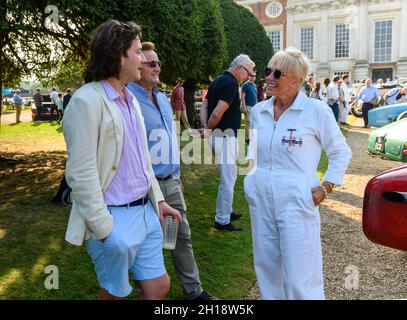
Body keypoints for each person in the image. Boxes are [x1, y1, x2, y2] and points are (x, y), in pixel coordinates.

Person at [62, 20, 182, 300]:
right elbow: (81, 173)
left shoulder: (130, 98)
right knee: (115, 294)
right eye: (138, 52)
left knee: (158, 286)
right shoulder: (86, 101)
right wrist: (105, 230)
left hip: (146, 212)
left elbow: (141, 160)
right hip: (113, 216)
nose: (144, 59)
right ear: (120, 55)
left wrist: (159, 201)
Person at [244, 47, 351, 300]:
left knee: (300, 274)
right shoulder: (259, 111)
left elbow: (340, 152)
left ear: (297, 80)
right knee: (267, 267)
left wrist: (326, 187)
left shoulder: (316, 111)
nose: (269, 77)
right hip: (261, 198)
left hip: (297, 200)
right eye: (268, 70)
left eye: (277, 73)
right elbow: (254, 151)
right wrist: (251, 179)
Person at [128, 41, 216, 301]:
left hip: (171, 181)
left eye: (158, 63)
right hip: (145, 185)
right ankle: (147, 288)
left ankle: (194, 292)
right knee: (145, 241)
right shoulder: (129, 100)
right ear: (136, 65)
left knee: (181, 236)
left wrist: (177, 176)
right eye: (151, 63)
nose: (158, 68)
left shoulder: (164, 100)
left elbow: (170, 139)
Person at [200, 54, 255, 231]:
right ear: (239, 68)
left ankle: (227, 211)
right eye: (248, 72)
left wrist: (205, 127)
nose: (248, 77)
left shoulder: (218, 79)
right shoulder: (231, 83)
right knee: (228, 179)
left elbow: (204, 105)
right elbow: (216, 112)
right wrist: (208, 129)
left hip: (222, 137)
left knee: (229, 176)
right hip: (224, 137)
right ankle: (222, 220)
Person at [241, 71, 257, 143]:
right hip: (247, 106)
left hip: (254, 107)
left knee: (252, 123)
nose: (253, 77)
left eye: (254, 76)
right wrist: (243, 106)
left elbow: (255, 96)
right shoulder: (245, 85)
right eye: (251, 75)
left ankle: (250, 137)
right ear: (248, 76)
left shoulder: (254, 85)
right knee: (248, 122)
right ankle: (247, 138)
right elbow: (242, 96)